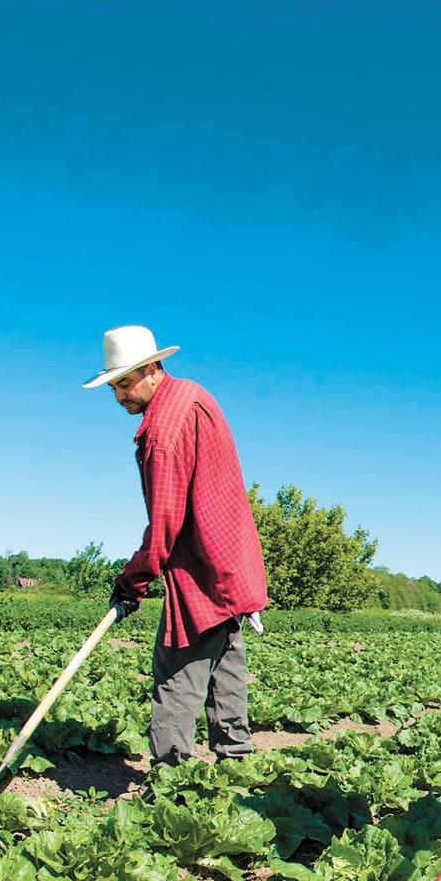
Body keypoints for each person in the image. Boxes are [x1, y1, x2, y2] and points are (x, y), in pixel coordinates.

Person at [83, 325, 269, 767]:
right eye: (113, 387)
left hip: (199, 573)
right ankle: (236, 766)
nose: (119, 396)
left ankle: (171, 780)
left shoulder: (162, 432)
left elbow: (165, 524)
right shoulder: (194, 395)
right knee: (226, 667)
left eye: (125, 383)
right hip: (230, 565)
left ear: (152, 369)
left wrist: (132, 583)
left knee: (176, 677)